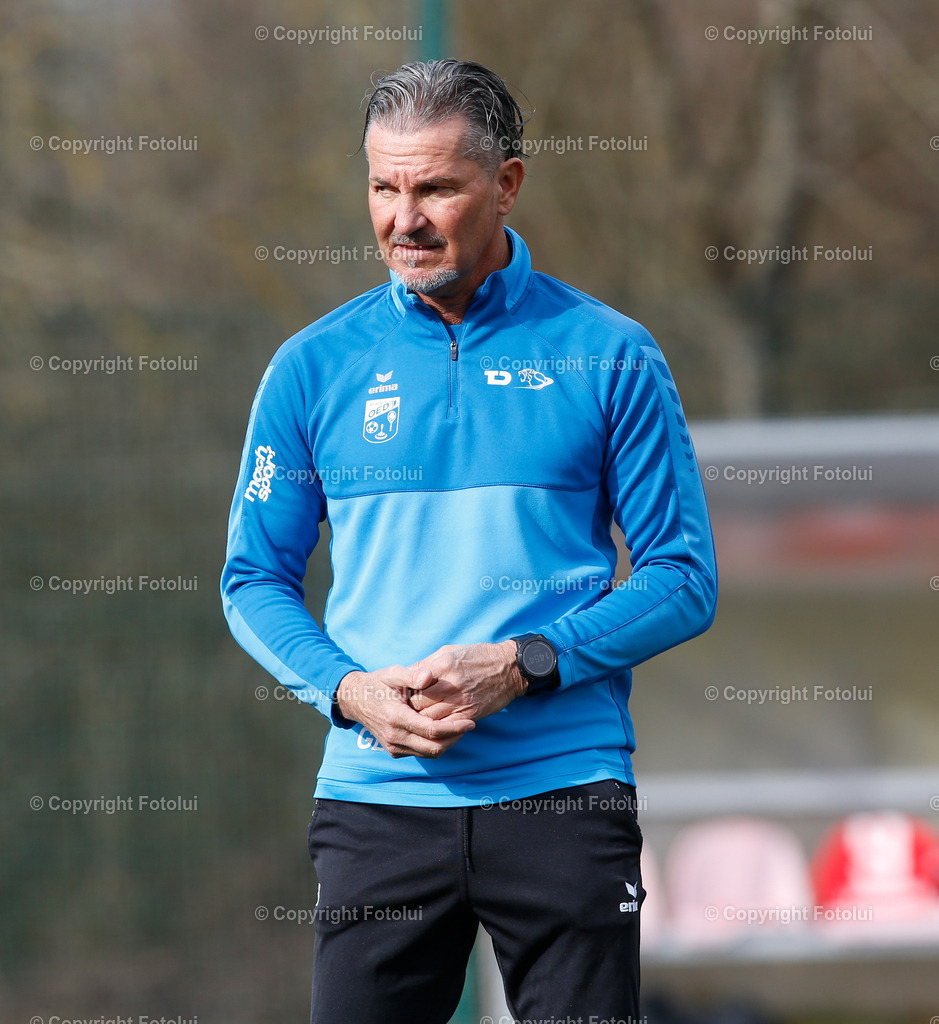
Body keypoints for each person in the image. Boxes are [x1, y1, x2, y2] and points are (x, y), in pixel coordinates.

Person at [222, 58, 717, 1024]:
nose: (402, 219)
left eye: (436, 187)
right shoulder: (311, 367)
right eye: (382, 186)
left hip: (563, 796)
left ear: (508, 183)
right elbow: (254, 578)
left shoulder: (608, 351)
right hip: (377, 801)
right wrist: (347, 689)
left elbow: (681, 576)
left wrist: (525, 663)